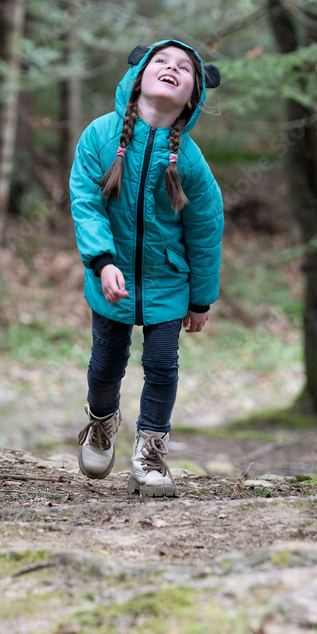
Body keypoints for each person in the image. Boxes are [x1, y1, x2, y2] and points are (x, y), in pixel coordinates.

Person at [69, 40, 223, 496]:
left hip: (167, 282)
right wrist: (102, 261)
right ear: (138, 77)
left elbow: (206, 230)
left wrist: (201, 299)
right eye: (161, 61)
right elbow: (86, 203)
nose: (172, 68)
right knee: (105, 364)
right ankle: (101, 423)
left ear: (192, 97)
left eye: (184, 68)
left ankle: (150, 455)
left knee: (161, 366)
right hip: (110, 276)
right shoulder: (100, 136)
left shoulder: (190, 161)